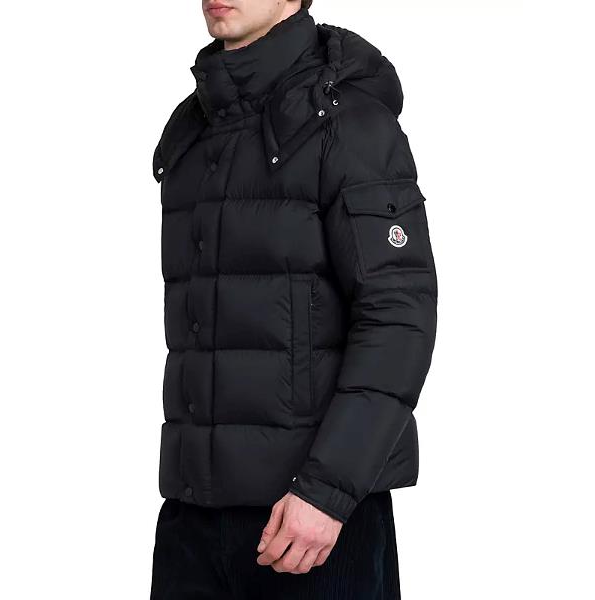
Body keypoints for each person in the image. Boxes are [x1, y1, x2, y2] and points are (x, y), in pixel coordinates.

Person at [149, 0, 437, 597]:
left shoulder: (351, 126)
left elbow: (397, 317)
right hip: (191, 525)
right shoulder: (194, 134)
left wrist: (327, 493)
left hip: (313, 528)